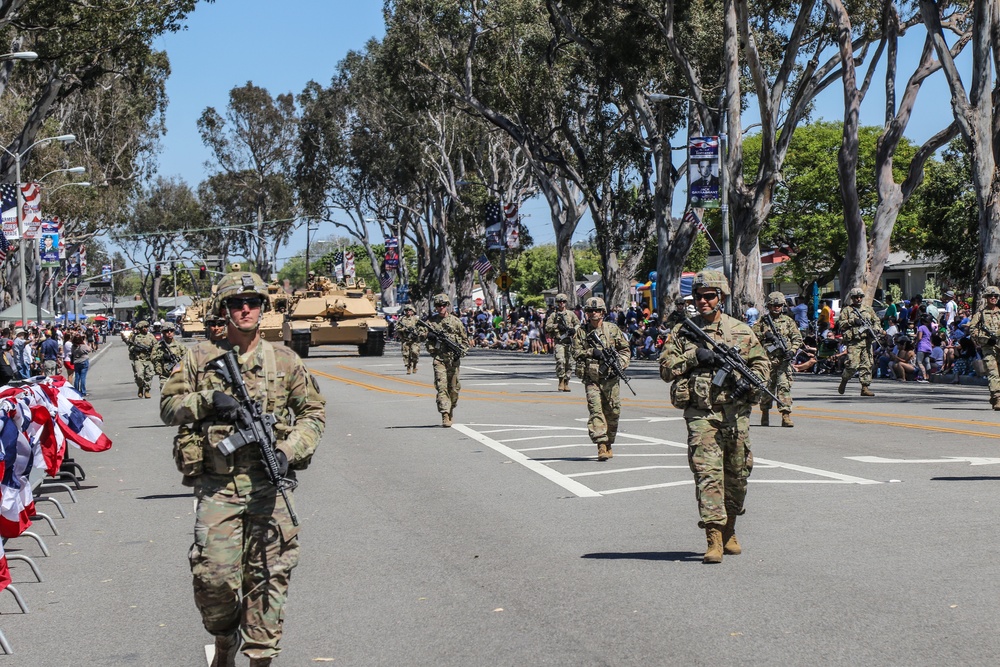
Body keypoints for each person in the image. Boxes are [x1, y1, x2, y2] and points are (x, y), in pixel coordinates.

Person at [160, 271, 326, 667]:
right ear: (224, 310)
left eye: (253, 303)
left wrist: (289, 449)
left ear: (264, 309)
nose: (245, 309)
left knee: (270, 579)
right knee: (213, 580)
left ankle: (260, 658)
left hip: (269, 486)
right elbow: (168, 407)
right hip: (218, 487)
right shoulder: (200, 358)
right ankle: (224, 637)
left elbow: (313, 414)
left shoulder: (284, 360)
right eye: (236, 304)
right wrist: (208, 400)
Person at [659, 270, 769, 563]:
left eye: (709, 296)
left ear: (721, 297)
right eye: (698, 297)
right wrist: (695, 357)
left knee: (738, 475)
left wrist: (751, 381)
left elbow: (762, 365)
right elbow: (665, 369)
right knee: (707, 474)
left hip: (736, 414)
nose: (703, 301)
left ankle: (730, 527)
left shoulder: (742, 331)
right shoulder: (683, 332)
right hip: (702, 414)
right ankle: (714, 537)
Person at [571, 296, 630, 461]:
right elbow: (575, 352)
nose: (594, 314)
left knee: (613, 412)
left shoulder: (612, 329)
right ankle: (601, 445)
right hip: (592, 378)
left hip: (611, 378)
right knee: (596, 410)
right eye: (590, 311)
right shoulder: (581, 332)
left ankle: (609, 442)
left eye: (597, 310)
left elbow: (625, 349)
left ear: (603, 312)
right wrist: (592, 352)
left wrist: (620, 364)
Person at [752, 292, 803, 427]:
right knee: (767, 388)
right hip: (768, 361)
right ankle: (765, 413)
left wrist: (792, 351)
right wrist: (765, 334)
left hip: (783, 361)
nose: (777, 308)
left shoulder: (788, 321)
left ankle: (785, 415)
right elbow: (752, 337)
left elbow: (797, 338)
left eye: (779, 305)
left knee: (784, 386)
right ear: (769, 306)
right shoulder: (762, 321)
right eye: (774, 305)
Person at [426, 293, 469, 427]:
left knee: (454, 389)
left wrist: (460, 352)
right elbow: (419, 335)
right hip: (439, 359)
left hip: (453, 360)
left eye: (443, 305)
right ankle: (445, 414)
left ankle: (450, 409)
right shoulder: (431, 322)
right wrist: (429, 335)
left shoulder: (456, 322)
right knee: (441, 387)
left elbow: (465, 341)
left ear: (447, 306)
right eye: (438, 306)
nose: (441, 308)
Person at [837, 288, 879, 396]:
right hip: (854, 342)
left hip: (866, 341)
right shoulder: (847, 310)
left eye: (860, 297)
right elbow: (841, 323)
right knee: (852, 365)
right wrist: (853, 321)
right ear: (852, 298)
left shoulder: (868, 309)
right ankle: (844, 380)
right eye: (856, 297)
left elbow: (876, 321)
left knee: (867, 364)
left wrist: (875, 329)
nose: (858, 299)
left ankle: (865, 388)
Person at [969, 285, 1000, 410]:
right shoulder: (980, 314)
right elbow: (972, 330)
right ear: (986, 298)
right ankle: (997, 397)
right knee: (993, 372)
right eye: (990, 296)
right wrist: (985, 339)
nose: (993, 298)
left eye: (995, 296)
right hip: (989, 348)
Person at [544, 293, 581, 392]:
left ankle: (566, 382)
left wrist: (574, 329)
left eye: (563, 301)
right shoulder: (553, 315)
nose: (561, 304)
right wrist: (556, 326)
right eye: (560, 302)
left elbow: (578, 323)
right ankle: (560, 381)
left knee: (569, 363)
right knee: (561, 361)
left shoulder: (571, 314)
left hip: (570, 341)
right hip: (559, 341)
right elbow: (547, 327)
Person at [123, 320, 156, 398]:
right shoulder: (135, 337)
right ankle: (140, 387)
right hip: (139, 359)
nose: (145, 329)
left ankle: (147, 390)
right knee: (139, 375)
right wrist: (135, 349)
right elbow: (130, 346)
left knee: (149, 375)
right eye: (143, 327)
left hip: (149, 359)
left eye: (146, 327)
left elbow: (156, 346)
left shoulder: (151, 336)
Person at [397, 304, 422, 374]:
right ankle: (408, 367)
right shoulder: (402, 319)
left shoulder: (416, 319)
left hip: (415, 340)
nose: (408, 311)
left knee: (415, 352)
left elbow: (422, 328)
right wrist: (404, 330)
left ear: (413, 311)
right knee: (406, 354)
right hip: (405, 339)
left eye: (409, 310)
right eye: (406, 310)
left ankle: (414, 365)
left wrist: (417, 332)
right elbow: (397, 328)